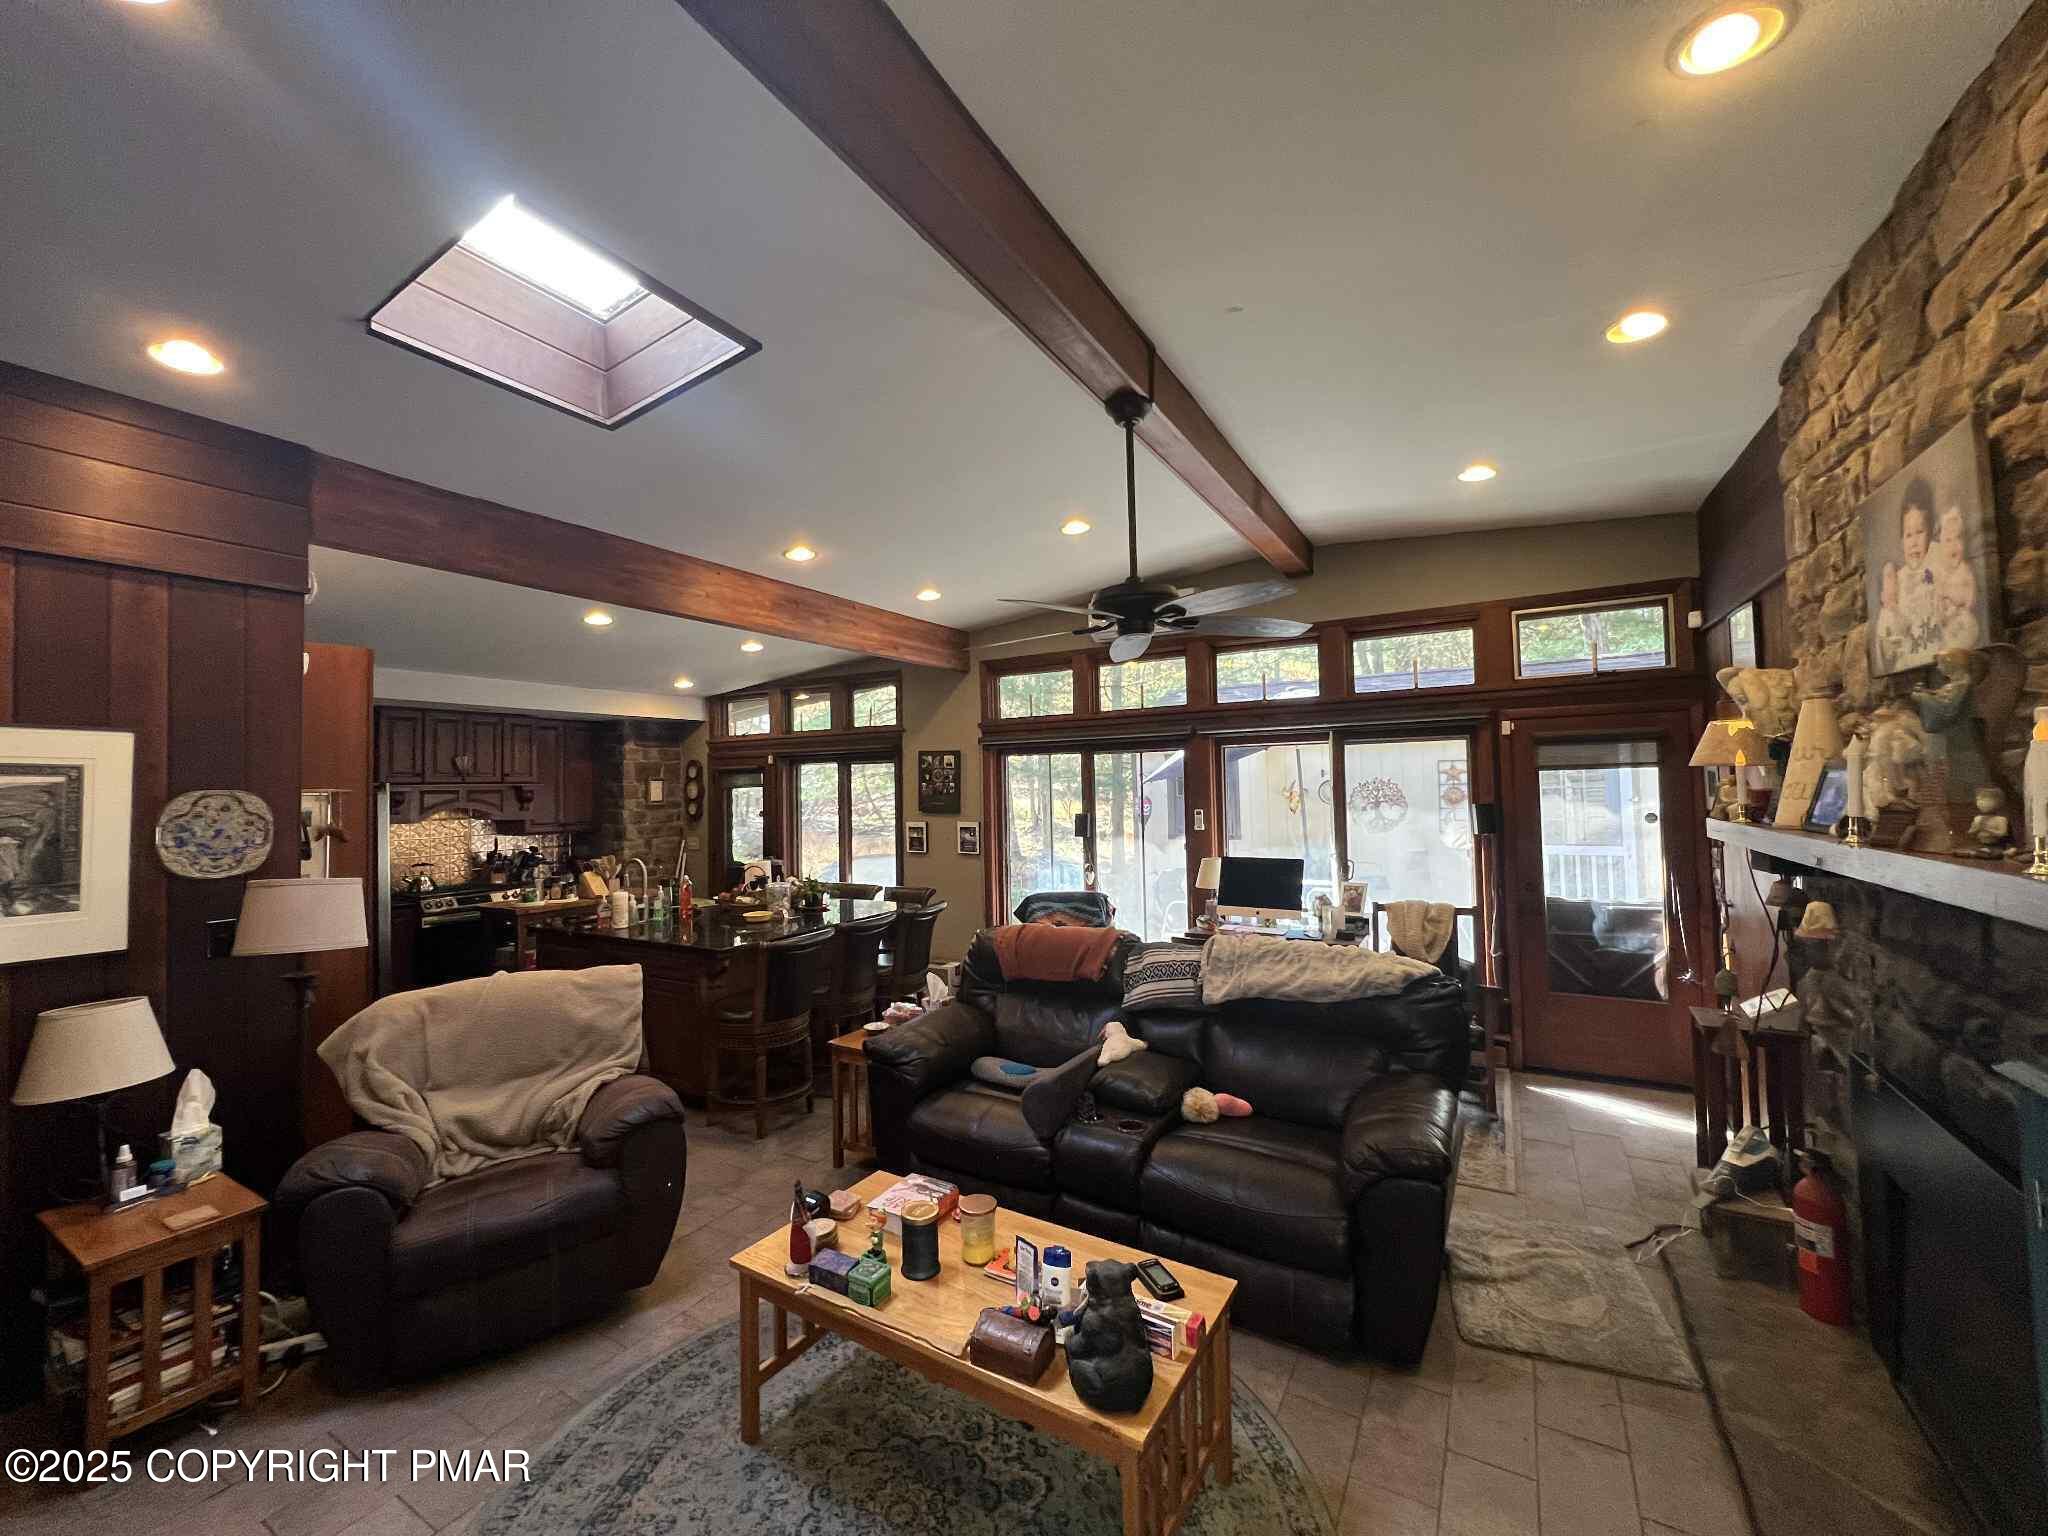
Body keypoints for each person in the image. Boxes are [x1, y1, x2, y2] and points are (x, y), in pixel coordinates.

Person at [1932, 503, 1982, 649]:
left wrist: (1964, 606)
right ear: (1940, 544)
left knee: (1963, 635)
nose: (1954, 545)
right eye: (1948, 540)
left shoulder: (1965, 569)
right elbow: (1938, 599)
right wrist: (1943, 612)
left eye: (1958, 538)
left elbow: (1971, 594)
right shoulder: (1940, 573)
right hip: (1948, 622)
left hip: (1964, 619)